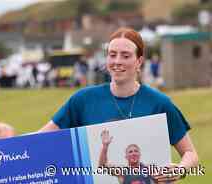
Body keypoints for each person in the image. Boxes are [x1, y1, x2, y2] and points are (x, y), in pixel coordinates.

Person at [39, 27, 198, 183]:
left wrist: (180, 170)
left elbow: (190, 153)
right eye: (112, 55)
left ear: (139, 61)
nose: (117, 61)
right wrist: (14, 147)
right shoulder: (82, 100)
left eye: (126, 56)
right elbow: (39, 139)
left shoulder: (160, 103)